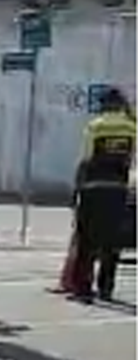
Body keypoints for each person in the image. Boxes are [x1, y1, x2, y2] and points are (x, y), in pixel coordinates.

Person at [69, 87, 136, 303]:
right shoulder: (131, 127)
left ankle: (82, 288)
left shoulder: (95, 125)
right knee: (111, 241)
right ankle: (106, 288)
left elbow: (86, 158)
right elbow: (131, 158)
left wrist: (76, 188)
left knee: (86, 239)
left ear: (104, 105)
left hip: (93, 187)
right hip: (118, 188)